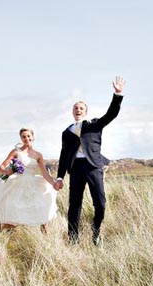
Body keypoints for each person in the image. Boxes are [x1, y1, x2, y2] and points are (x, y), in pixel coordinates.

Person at [54, 76, 126, 245]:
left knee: (100, 203)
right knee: (74, 205)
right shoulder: (67, 132)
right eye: (75, 108)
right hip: (76, 168)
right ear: (73, 112)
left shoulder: (94, 125)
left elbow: (111, 114)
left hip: (94, 166)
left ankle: (96, 229)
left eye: (81, 108)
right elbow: (64, 155)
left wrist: (118, 94)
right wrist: (59, 177)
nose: (78, 110)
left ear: (85, 111)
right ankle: (73, 239)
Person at [0, 128, 57, 232]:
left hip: (33, 185)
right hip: (17, 184)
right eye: (24, 136)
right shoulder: (16, 152)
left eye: (28, 136)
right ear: (21, 138)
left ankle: (48, 244)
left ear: (33, 137)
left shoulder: (38, 155)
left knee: (43, 218)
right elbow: (1, 167)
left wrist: (53, 183)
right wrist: (8, 171)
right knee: (11, 220)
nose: (26, 138)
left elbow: (44, 173)